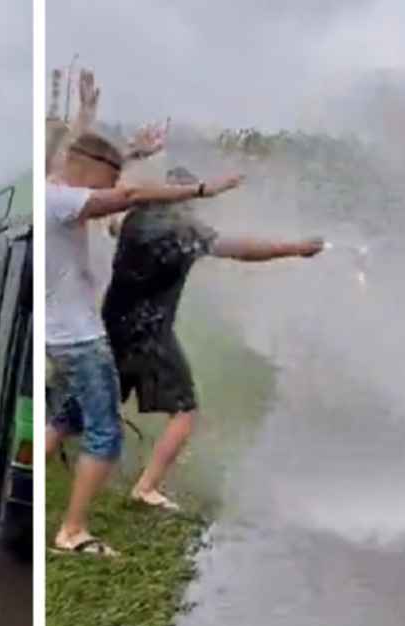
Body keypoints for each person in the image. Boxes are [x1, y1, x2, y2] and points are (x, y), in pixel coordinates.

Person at [45, 69, 243, 556]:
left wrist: (91, 118)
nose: (118, 182)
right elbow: (127, 194)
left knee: (69, 414)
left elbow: (79, 159)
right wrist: (202, 191)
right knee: (105, 433)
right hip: (83, 337)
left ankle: (20, 479)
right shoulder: (65, 199)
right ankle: (73, 532)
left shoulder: (53, 187)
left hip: (79, 331)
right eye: (110, 174)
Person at [103, 165, 324, 511]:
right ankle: (145, 488)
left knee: (79, 410)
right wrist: (295, 247)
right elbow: (240, 249)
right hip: (149, 333)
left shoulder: (135, 219)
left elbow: (111, 226)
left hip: (111, 325)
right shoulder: (181, 232)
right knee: (185, 410)